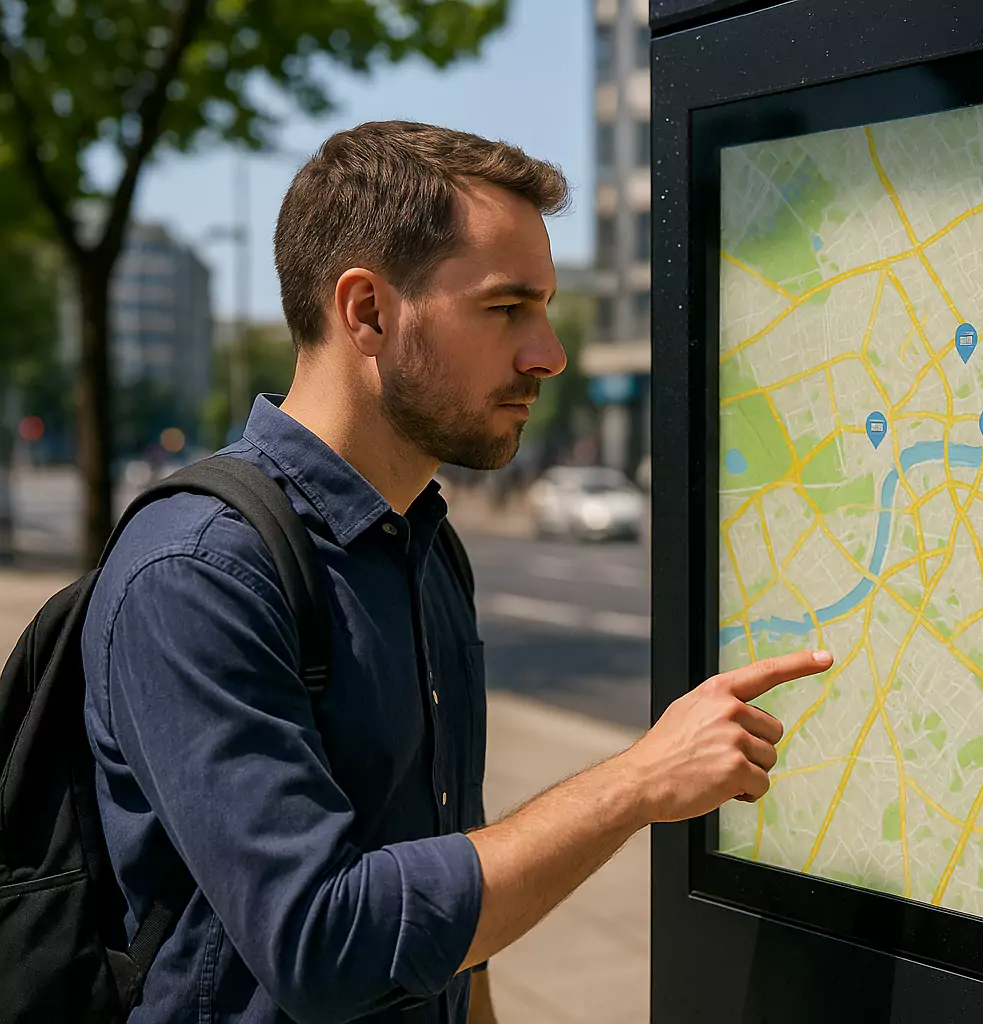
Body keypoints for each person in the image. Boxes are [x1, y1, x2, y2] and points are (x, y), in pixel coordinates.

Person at [82, 121, 833, 1024]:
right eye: (507, 308)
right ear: (365, 311)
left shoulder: (427, 545)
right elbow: (325, 941)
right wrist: (636, 783)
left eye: (546, 309)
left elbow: (446, 893)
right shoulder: (198, 572)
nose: (549, 353)